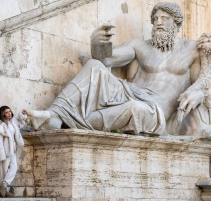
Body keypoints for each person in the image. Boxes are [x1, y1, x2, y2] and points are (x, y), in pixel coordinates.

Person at [23, 2, 211, 137]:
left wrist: (198, 93)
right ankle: (54, 114)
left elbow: (205, 81)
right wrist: (97, 44)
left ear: (177, 22)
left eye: (165, 18)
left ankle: (66, 121)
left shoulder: (193, 49)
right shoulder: (140, 46)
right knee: (94, 65)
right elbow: (107, 59)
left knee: (135, 109)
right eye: (155, 19)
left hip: (155, 109)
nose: (158, 23)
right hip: (130, 93)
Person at [0, 106, 24, 197]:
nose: (9, 113)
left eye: (10, 111)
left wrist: (22, 114)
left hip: (12, 149)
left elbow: (21, 124)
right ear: (2, 114)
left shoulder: (12, 122)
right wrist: (1, 154)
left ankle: (4, 185)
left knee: (14, 167)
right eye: (6, 112)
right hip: (4, 151)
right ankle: (3, 192)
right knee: (3, 170)